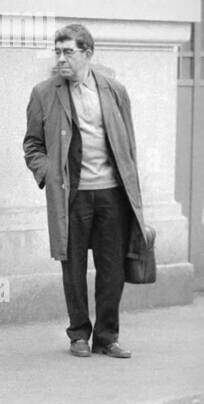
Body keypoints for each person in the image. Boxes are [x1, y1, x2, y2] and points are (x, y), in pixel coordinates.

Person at [23, 23, 148, 358]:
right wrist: (49, 173)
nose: (61, 58)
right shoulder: (44, 93)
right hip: (71, 195)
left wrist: (132, 188)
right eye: (58, 51)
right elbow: (32, 145)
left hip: (111, 193)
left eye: (68, 52)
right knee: (73, 266)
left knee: (113, 268)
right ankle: (78, 334)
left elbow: (128, 145)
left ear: (88, 53)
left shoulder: (114, 91)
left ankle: (107, 337)